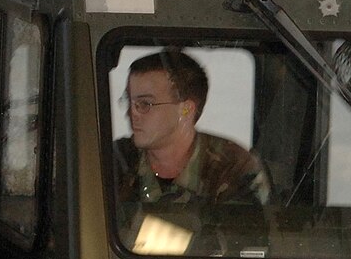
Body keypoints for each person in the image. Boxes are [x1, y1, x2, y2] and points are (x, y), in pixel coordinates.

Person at [114, 49, 272, 209]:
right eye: (129, 101)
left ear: (186, 110)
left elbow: (245, 232)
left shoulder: (235, 169)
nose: (131, 114)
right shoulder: (116, 160)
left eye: (145, 104)